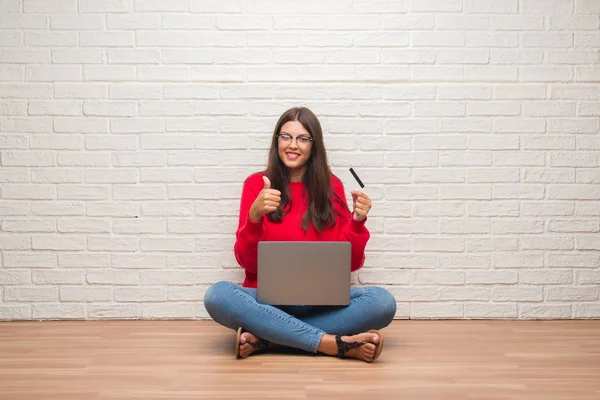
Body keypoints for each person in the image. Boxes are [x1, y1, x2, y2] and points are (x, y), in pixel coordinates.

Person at [203, 107, 396, 362]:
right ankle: (328, 343)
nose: (293, 145)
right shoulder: (256, 184)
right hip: (267, 302)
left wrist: (358, 223)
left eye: (302, 138)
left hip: (321, 304)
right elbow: (246, 262)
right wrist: (254, 217)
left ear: (314, 145)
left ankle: (270, 338)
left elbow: (350, 265)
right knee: (218, 295)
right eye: (286, 137)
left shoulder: (332, 186)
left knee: (382, 302)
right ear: (276, 141)